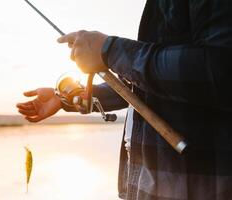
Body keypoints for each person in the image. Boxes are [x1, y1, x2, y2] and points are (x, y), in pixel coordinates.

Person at [17, 0, 232, 199]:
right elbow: (143, 86)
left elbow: (219, 69)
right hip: (149, 187)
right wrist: (64, 99)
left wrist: (109, 50)